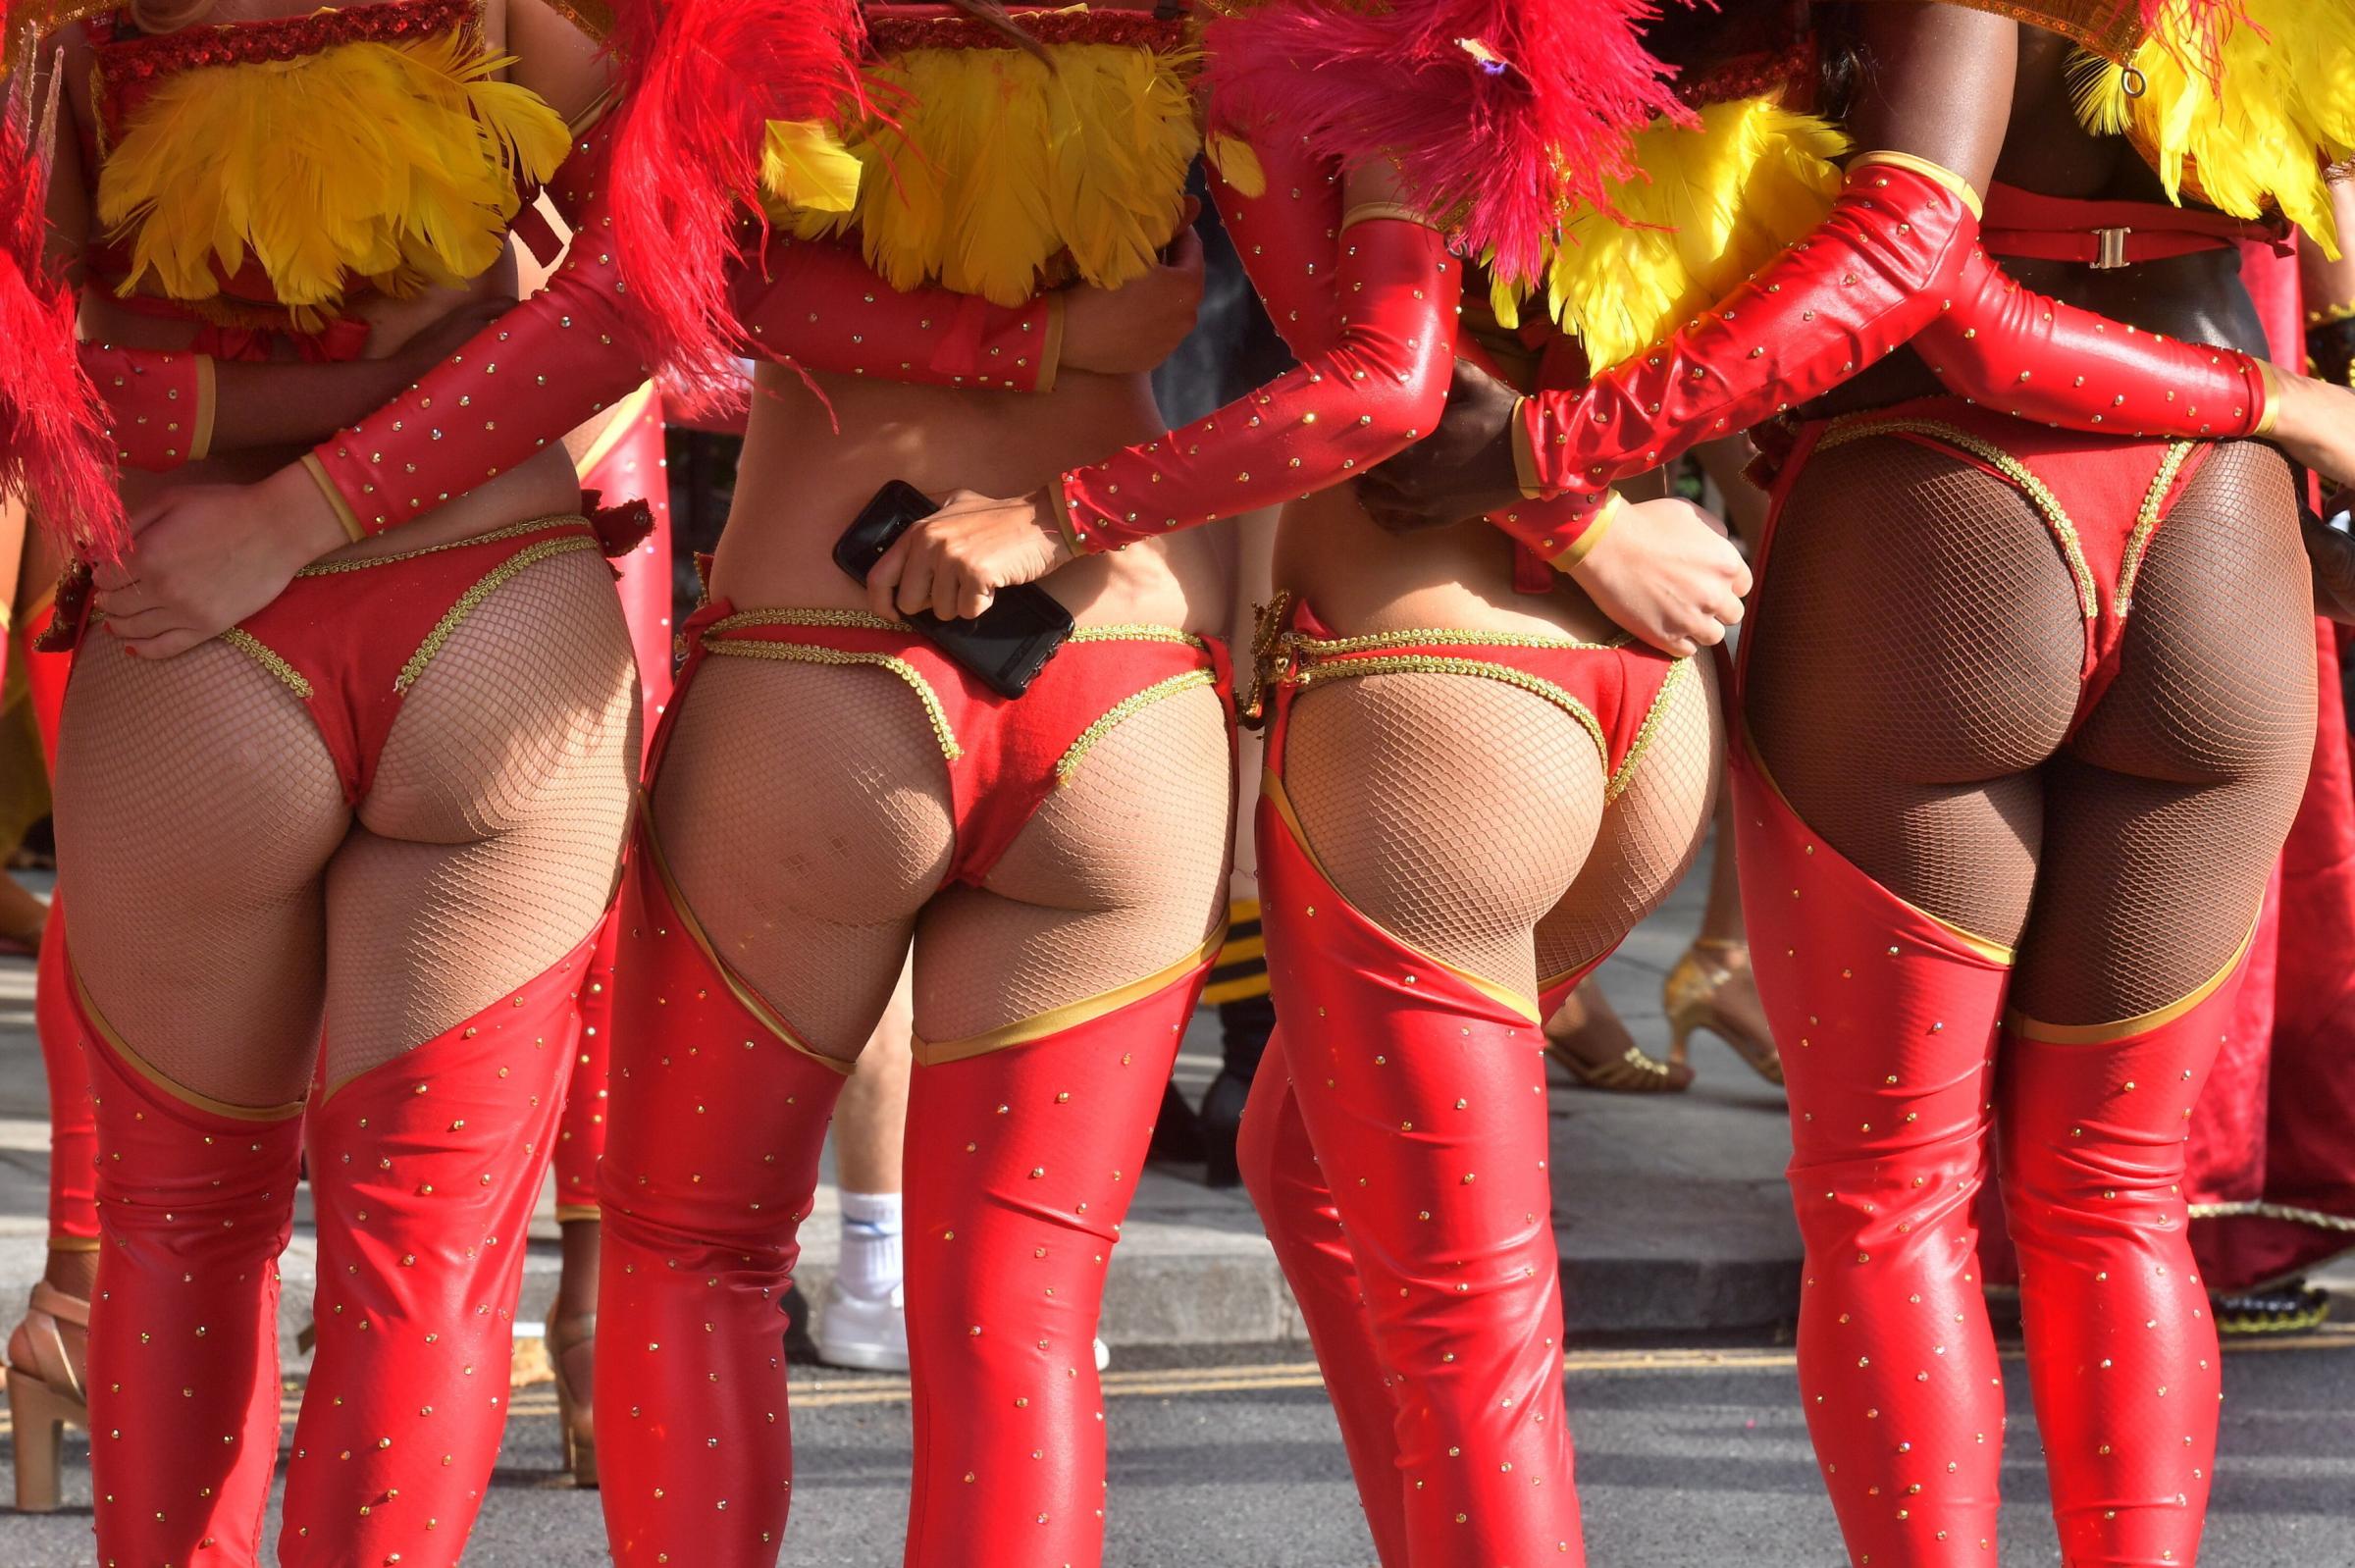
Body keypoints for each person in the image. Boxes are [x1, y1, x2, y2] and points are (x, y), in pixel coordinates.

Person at [1362, 2, 2355, 1561]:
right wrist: (2300, 397)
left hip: (1941, 511)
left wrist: (1567, 440)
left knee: (1890, 1198)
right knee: (2120, 1201)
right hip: (2222, 552)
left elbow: (1913, 269)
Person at [0, 1, 654, 1559]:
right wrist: (353, 460)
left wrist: (254, 480)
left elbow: (51, 381)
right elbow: (644, 296)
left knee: (175, 1231)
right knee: (428, 1265)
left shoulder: (66, 32)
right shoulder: (518, 12)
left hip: (190, 633)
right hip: (494, 597)